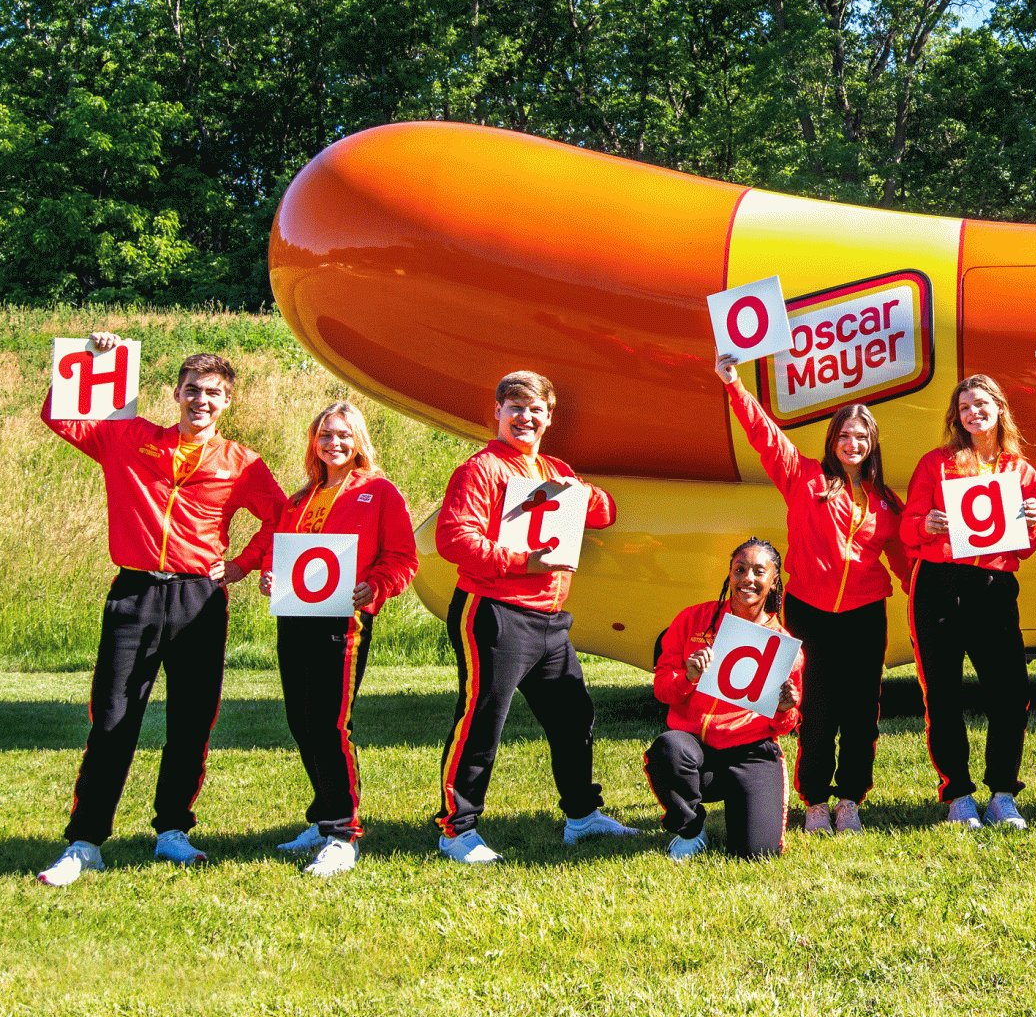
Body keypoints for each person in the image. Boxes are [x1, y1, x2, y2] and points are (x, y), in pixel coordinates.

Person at [35, 331, 287, 887]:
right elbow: (59, 415)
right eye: (193, 389)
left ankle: (172, 830)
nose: (203, 400)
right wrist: (89, 356)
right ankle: (85, 840)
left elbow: (281, 516)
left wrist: (244, 565)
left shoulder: (241, 461)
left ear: (228, 403)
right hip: (135, 593)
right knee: (114, 716)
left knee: (192, 719)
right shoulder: (128, 437)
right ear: (175, 393)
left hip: (199, 598)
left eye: (214, 393)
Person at [431, 369, 639, 863]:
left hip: (549, 616)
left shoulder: (553, 468)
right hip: (494, 610)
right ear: (497, 414)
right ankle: (456, 830)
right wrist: (522, 562)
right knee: (482, 721)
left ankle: (582, 816)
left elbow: (604, 511)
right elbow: (452, 539)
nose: (525, 417)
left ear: (549, 417)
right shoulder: (481, 469)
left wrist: (577, 491)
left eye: (535, 409)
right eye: (515, 408)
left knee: (573, 716)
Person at [714, 354, 909, 835]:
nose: (853, 443)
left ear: (872, 444)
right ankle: (816, 801)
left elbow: (907, 561)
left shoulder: (885, 500)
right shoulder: (805, 479)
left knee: (862, 711)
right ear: (832, 441)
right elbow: (765, 436)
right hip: (809, 612)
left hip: (864, 615)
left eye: (861, 437)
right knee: (814, 706)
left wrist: (930, 597)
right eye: (844, 435)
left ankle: (850, 800)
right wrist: (736, 384)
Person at [227, 401, 418, 877]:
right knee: (302, 721)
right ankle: (324, 813)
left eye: (344, 435)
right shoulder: (300, 498)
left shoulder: (379, 492)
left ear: (359, 442)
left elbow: (402, 557)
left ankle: (342, 833)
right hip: (295, 619)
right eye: (326, 435)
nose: (334, 443)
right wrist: (270, 576)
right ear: (314, 441)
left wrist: (374, 587)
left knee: (331, 723)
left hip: (343, 621)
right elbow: (280, 552)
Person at [900, 373, 1036, 828]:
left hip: (994, 587)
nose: (973, 413)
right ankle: (958, 796)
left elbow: (1024, 547)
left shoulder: (1022, 471)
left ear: (999, 407)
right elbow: (907, 530)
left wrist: (1033, 521)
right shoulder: (935, 464)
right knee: (942, 693)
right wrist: (928, 524)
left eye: (981, 404)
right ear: (956, 417)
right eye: (965, 408)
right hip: (940, 584)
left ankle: (1003, 794)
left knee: (1011, 692)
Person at [647, 539, 807, 860]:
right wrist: (688, 677)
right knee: (668, 749)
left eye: (759, 571)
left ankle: (746, 802)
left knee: (756, 855)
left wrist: (785, 708)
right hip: (697, 750)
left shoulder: (784, 646)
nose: (748, 578)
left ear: (774, 580)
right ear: (730, 575)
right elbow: (663, 688)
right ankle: (690, 829)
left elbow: (784, 724)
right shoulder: (693, 619)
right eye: (740, 569)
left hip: (751, 753)